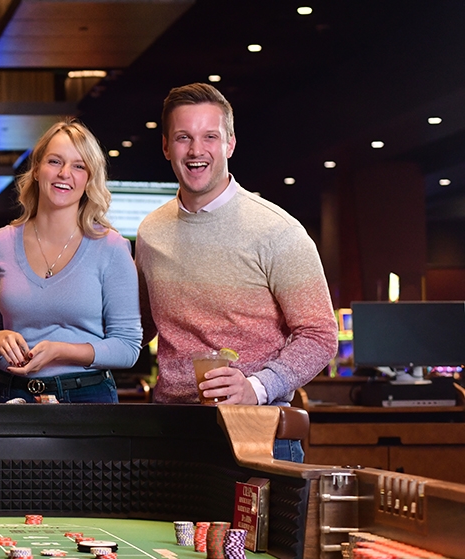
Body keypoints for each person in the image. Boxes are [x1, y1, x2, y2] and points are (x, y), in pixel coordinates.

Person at [136, 83, 337, 461]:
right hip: (170, 435)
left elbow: (320, 335)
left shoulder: (278, 231)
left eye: (209, 137)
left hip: (259, 433)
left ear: (229, 144)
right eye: (184, 138)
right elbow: (139, 327)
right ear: (166, 147)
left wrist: (257, 387)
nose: (196, 151)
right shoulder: (151, 232)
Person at [0, 121, 141, 403]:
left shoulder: (111, 248)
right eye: (55, 161)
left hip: (87, 397)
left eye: (79, 166)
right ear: (36, 169)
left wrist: (62, 351)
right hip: (10, 395)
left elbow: (127, 347)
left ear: (89, 179)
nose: (64, 174)